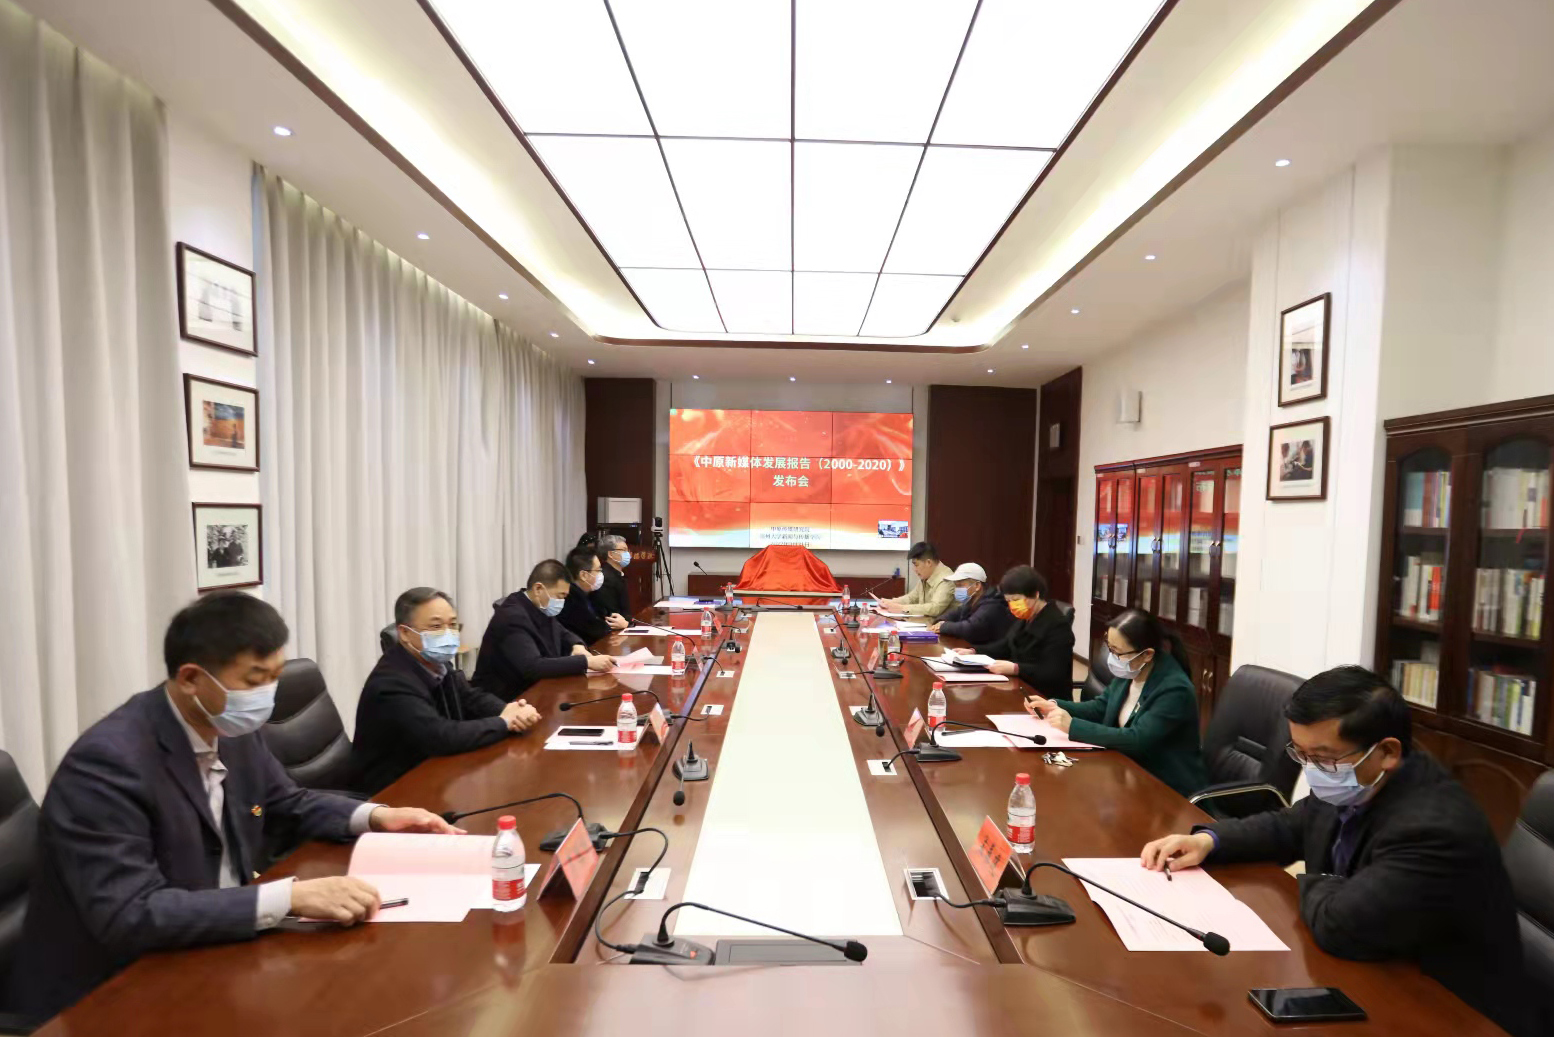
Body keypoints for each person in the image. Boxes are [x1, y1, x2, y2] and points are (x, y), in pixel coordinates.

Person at [8, 592, 461, 1024]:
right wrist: (290, 897)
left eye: (274, 676)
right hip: (112, 989)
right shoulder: (108, 763)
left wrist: (377, 817)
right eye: (254, 680)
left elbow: (287, 802)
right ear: (191, 679)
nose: (268, 694)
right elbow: (131, 913)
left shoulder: (230, 730)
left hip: (216, 946)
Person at [1139, 666, 1543, 1037]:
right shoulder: (1358, 781)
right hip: (1375, 973)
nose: (1311, 770)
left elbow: (1340, 925)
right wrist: (1210, 840)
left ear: (1387, 752)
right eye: (1300, 754)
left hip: (1451, 1011)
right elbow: (1290, 825)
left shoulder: (1433, 829)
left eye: (1322, 758)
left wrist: (1313, 881)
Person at [352, 587, 542, 795]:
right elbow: (441, 736)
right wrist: (505, 722)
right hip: (392, 790)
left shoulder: (435, 662)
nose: (448, 634)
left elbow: (470, 697)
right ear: (405, 633)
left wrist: (509, 710)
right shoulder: (392, 683)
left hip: (434, 772)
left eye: (452, 625)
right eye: (436, 626)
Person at [1025, 607, 1206, 796]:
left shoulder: (1174, 689)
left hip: (1165, 786)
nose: (1112, 658)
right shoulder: (1132, 670)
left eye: (1117, 652)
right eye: (1109, 648)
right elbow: (1101, 707)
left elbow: (1137, 739)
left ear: (1147, 654)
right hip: (1126, 769)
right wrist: (1055, 705)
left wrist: (1073, 726)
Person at [475, 559, 615, 701]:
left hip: (535, 691)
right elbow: (532, 667)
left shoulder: (537, 606)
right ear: (538, 589)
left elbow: (562, 632)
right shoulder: (512, 617)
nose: (562, 602)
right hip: (505, 699)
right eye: (560, 596)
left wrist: (576, 645)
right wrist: (586, 662)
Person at [957, 565, 1074, 699]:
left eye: (1016, 599)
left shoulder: (1057, 625)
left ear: (1036, 594)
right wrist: (974, 651)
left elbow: (1053, 673)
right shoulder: (1026, 617)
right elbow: (1006, 645)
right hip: (1021, 687)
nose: (1013, 605)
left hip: (1047, 698)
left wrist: (1016, 669)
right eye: (1009, 601)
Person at [559, 545, 628, 645]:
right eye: (598, 570)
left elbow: (603, 617)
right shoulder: (570, 599)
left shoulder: (589, 593)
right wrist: (616, 625)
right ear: (584, 575)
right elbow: (595, 631)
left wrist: (617, 621)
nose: (601, 574)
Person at [929, 562, 1012, 644]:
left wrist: (943, 626)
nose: (957, 589)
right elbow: (953, 614)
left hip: (988, 650)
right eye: (956, 586)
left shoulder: (993, 604)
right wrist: (940, 621)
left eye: (960, 585)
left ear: (977, 586)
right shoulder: (971, 601)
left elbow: (970, 628)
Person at [878, 541, 954, 620]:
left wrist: (902, 608)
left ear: (928, 563)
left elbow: (935, 608)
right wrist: (890, 602)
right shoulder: (926, 575)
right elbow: (911, 598)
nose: (914, 569)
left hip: (940, 626)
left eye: (916, 565)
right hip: (926, 623)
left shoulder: (946, 579)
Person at [591, 534, 634, 621]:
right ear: (611, 554)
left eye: (628, 550)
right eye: (624, 550)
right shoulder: (605, 579)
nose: (628, 554)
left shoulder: (617, 574)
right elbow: (612, 615)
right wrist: (628, 623)